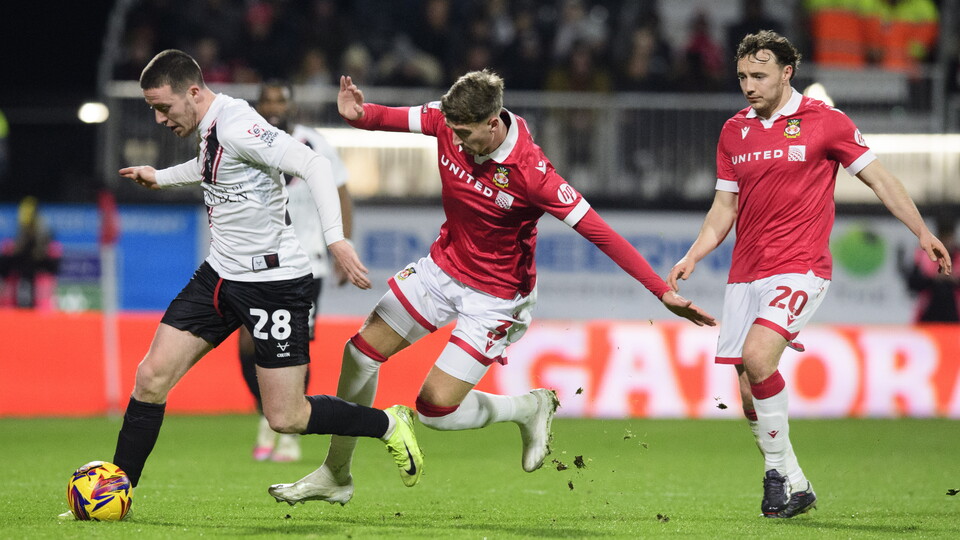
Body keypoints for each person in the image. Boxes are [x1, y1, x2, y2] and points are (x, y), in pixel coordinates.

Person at [268, 69, 717, 506]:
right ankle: (336, 474)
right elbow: (389, 117)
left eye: (465, 133)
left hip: (496, 297)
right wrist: (358, 114)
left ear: (492, 122)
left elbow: (601, 234)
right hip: (442, 268)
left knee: (434, 411)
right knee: (360, 352)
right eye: (452, 130)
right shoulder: (447, 120)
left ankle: (527, 408)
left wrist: (661, 291)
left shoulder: (533, 173)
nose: (456, 140)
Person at [60, 50, 423, 518]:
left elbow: (313, 165)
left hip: (274, 282)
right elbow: (209, 167)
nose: (158, 119)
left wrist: (336, 239)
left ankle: (387, 423)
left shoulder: (237, 124)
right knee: (151, 378)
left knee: (287, 417)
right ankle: (115, 495)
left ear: (193, 92)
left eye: (163, 107)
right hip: (220, 273)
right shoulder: (210, 126)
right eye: (152, 108)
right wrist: (161, 177)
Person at [666, 30, 952, 519]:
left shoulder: (826, 122)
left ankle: (775, 474)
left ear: (786, 73)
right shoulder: (734, 131)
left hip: (801, 266)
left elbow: (881, 179)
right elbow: (723, 207)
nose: (749, 86)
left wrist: (921, 231)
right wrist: (694, 254)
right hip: (745, 273)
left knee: (758, 357)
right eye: (742, 76)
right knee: (747, 386)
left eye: (759, 76)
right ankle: (797, 484)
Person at [241, 80, 355, 463]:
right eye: (267, 100)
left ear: (291, 107)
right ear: (258, 106)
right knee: (248, 345)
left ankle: (289, 430)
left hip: (306, 263)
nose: (274, 107)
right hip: (257, 262)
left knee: (295, 347)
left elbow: (341, 192)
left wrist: (343, 245)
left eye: (280, 100)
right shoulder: (246, 141)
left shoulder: (313, 143)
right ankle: (268, 414)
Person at [0, 196, 62, 310]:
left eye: (32, 226)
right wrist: (17, 251)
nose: (29, 230)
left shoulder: (49, 248)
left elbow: (54, 269)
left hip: (42, 307)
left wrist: (40, 251)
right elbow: (4, 270)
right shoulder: (11, 247)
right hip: (12, 308)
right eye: (25, 227)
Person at [903, 216, 960, 322]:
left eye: (949, 238)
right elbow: (912, 283)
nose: (947, 242)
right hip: (927, 316)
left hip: (954, 317)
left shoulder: (958, 257)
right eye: (943, 238)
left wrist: (953, 279)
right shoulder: (923, 255)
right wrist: (934, 278)